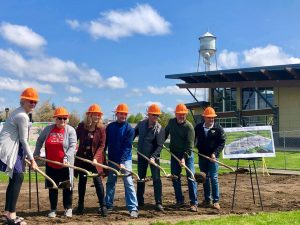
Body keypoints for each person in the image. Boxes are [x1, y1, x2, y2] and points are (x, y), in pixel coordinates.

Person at [0, 87, 39, 225]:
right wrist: (33, 160)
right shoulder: (22, 115)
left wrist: (26, 156)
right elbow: (24, 140)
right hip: (9, 150)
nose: (33, 104)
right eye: (30, 101)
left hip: (13, 149)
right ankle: (12, 216)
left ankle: (7, 213)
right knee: (18, 177)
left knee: (14, 179)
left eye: (35, 102)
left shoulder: (19, 112)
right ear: (23, 101)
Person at [34, 107, 77, 218]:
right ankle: (53, 209)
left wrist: (66, 158)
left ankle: (68, 208)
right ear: (55, 119)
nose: (62, 120)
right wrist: (37, 152)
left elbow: (73, 146)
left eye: (64, 118)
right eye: (59, 118)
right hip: (50, 164)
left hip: (65, 165)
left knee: (66, 187)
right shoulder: (48, 129)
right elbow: (39, 140)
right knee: (52, 187)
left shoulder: (70, 130)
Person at [105, 103, 139, 218]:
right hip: (112, 159)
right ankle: (108, 205)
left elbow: (127, 147)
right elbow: (105, 143)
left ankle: (133, 208)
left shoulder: (129, 129)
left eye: (125, 114)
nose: (123, 116)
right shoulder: (110, 127)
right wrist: (103, 157)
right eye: (121, 114)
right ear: (117, 114)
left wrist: (122, 162)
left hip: (125, 161)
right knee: (111, 182)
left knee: (128, 182)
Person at [74, 104, 107, 216]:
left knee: (98, 182)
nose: (97, 117)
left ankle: (103, 206)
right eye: (95, 114)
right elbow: (74, 140)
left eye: (99, 115)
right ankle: (80, 206)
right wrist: (73, 149)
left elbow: (102, 146)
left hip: (95, 161)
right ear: (89, 115)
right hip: (82, 159)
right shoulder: (81, 126)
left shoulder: (101, 129)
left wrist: (96, 158)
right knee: (82, 182)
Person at [165, 103, 198, 212]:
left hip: (187, 155)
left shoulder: (189, 127)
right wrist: (159, 143)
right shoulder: (171, 123)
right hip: (174, 154)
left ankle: (194, 203)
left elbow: (190, 146)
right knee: (175, 178)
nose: (181, 116)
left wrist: (184, 158)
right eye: (179, 114)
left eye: (183, 114)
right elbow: (164, 134)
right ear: (175, 114)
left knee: (191, 177)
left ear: (186, 115)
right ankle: (179, 201)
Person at [134, 104, 165, 211]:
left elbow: (160, 146)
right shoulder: (141, 124)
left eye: (157, 115)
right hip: (141, 156)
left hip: (153, 158)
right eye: (154, 115)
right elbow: (133, 134)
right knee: (140, 179)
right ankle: (139, 201)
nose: (155, 117)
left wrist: (153, 157)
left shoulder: (159, 129)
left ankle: (158, 202)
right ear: (149, 114)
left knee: (156, 179)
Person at [194, 106, 225, 210]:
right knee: (204, 178)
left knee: (214, 177)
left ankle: (216, 201)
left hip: (213, 158)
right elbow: (193, 138)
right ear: (204, 117)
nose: (211, 119)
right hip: (202, 157)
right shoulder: (198, 127)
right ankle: (207, 199)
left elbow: (222, 142)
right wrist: (194, 147)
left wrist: (215, 154)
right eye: (209, 117)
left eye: (212, 117)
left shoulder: (218, 128)